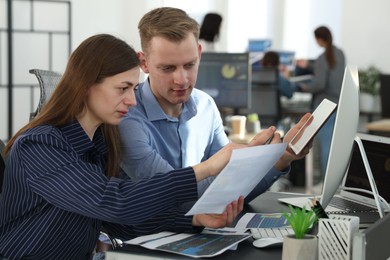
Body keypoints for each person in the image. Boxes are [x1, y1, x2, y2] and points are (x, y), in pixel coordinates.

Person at [0, 34, 254, 260]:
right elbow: (116, 201)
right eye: (123, 88)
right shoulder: (39, 145)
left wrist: (195, 219)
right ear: (86, 85)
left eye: (133, 88)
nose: (132, 100)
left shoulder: (98, 143)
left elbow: (119, 220)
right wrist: (206, 169)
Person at [119, 7, 312, 201]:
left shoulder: (206, 106)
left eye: (189, 65)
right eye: (168, 68)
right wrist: (242, 166)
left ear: (200, 54)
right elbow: (175, 195)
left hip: (200, 230)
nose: (182, 80)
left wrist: (281, 158)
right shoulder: (126, 117)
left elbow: (231, 195)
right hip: (152, 231)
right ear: (144, 63)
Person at [297, 26, 346, 177]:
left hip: (325, 107)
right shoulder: (340, 54)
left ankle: (325, 181)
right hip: (339, 104)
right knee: (333, 146)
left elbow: (319, 84)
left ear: (319, 39)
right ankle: (333, 181)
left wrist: (304, 87)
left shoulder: (322, 58)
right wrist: (311, 66)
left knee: (325, 145)